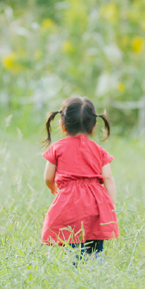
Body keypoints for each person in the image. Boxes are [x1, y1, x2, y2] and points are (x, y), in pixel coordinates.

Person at [40, 97, 119, 262]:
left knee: (75, 250)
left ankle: (77, 274)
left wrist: (53, 188)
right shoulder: (99, 150)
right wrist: (110, 206)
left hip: (70, 205)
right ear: (94, 126)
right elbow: (108, 178)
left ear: (62, 125)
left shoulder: (57, 148)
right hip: (96, 205)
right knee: (96, 250)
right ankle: (98, 273)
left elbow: (48, 177)